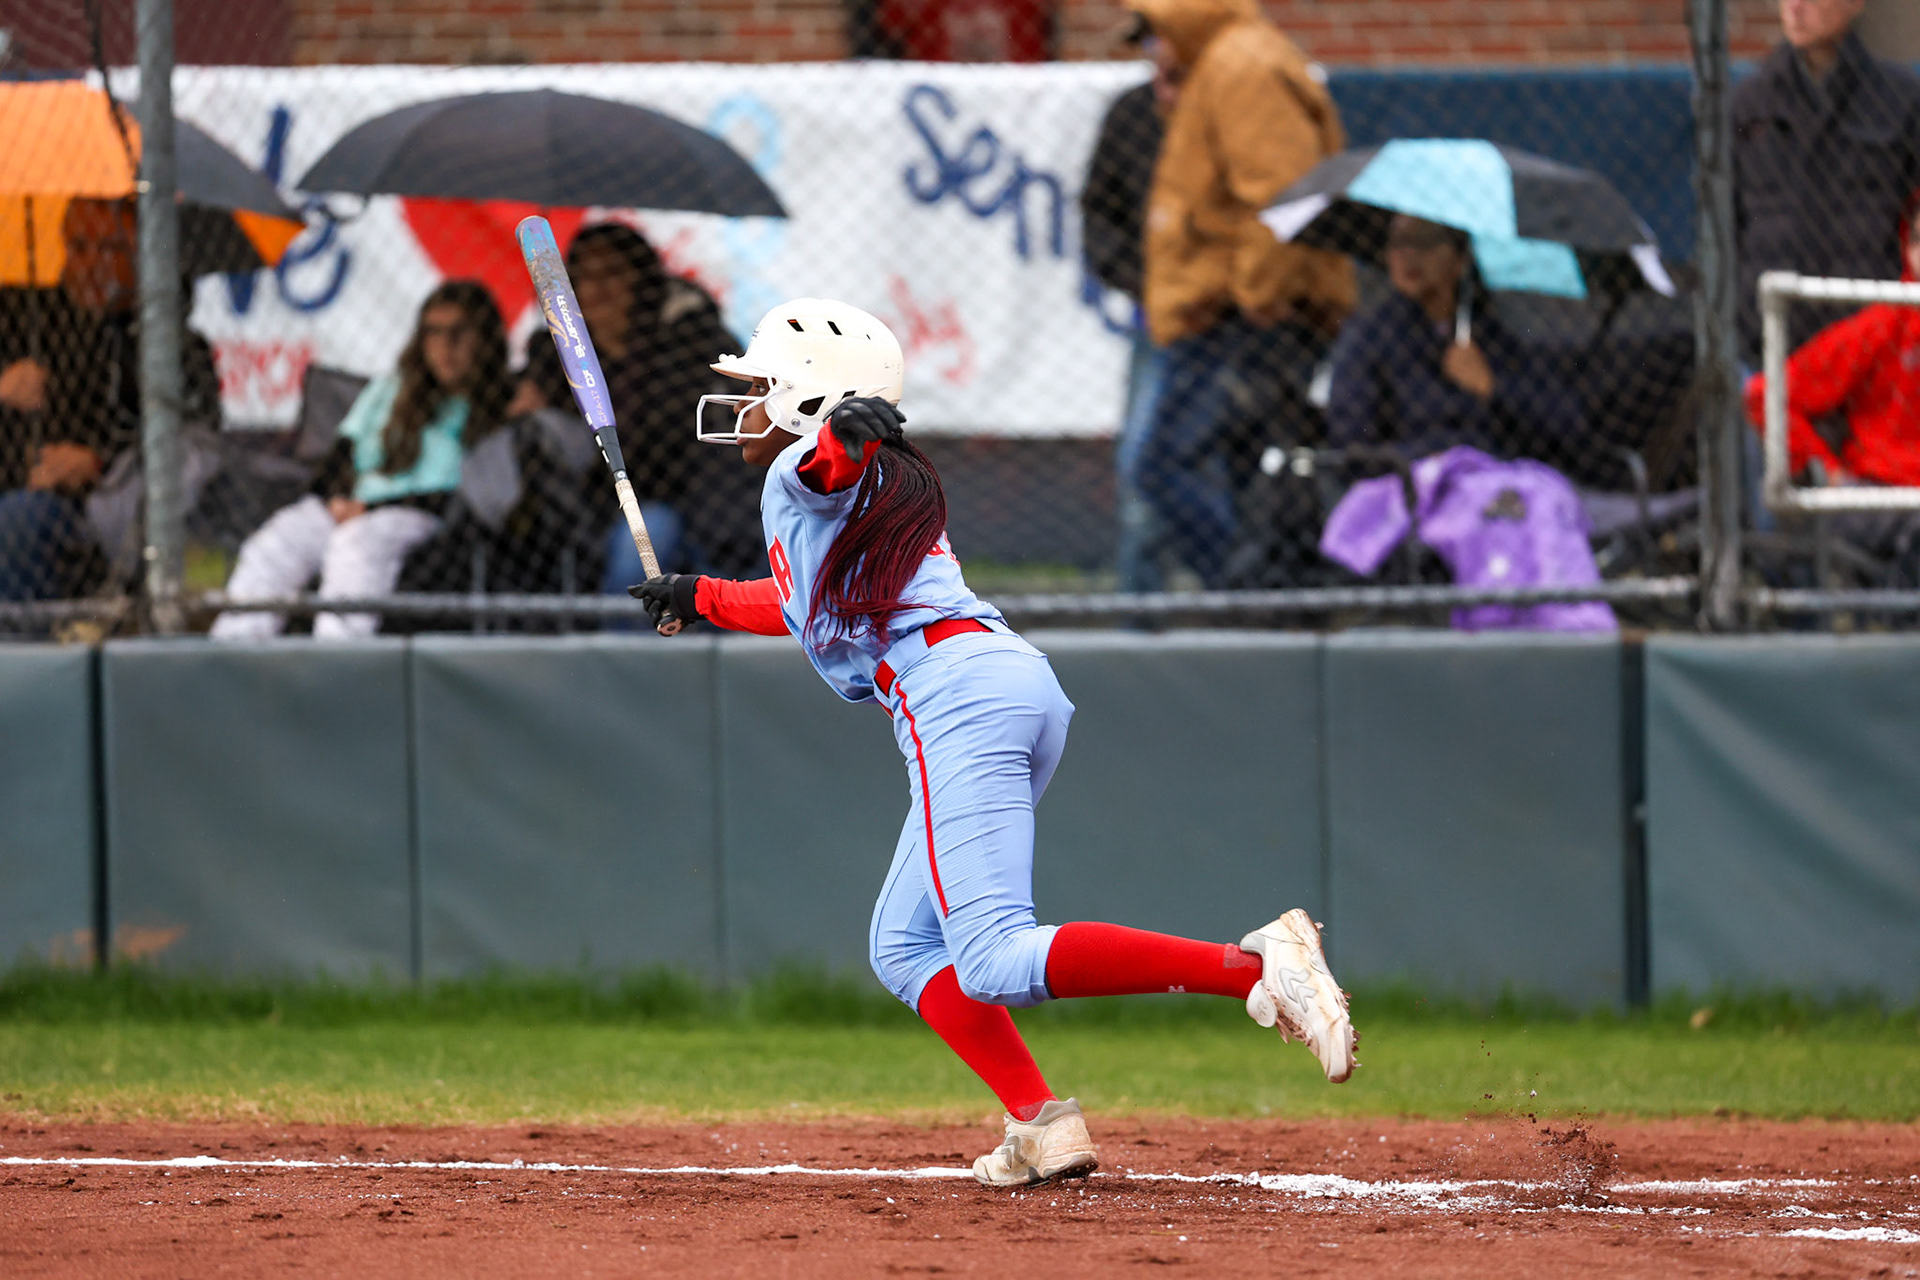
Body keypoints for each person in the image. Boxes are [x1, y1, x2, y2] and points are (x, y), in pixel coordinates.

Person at [628, 299, 1356, 1188]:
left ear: (809, 405)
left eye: (760, 387)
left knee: (993, 957)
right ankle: (1041, 1123)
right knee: (903, 947)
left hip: (957, 698)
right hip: (993, 687)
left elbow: (828, 469)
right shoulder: (854, 501)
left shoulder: (808, 470)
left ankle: (1254, 964)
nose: (742, 403)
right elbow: (799, 603)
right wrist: (698, 596)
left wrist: (843, 442)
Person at [1123, 0, 1355, 588]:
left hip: (1237, 318)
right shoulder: (1221, 64)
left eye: (1156, 37)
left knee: (1164, 465)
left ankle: (1244, 594)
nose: (1155, 53)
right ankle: (1270, 602)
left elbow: (1282, 194)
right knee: (1247, 474)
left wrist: (1258, 295)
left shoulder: (1242, 66)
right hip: (1224, 313)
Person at [209, 280, 510, 639]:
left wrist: (367, 510)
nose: (445, 346)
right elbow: (341, 456)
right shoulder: (392, 389)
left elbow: (464, 492)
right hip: (356, 504)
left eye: (459, 332)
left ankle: (340, 662)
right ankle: (234, 651)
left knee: (356, 545)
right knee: (275, 543)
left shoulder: (497, 402)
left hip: (424, 513)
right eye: (434, 332)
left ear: (484, 338)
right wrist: (335, 499)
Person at [509, 223, 756, 591]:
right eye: (586, 276)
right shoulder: (552, 354)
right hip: (584, 505)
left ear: (642, 278)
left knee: (645, 543)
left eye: (612, 273)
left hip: (689, 498)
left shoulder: (690, 337)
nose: (598, 288)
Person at [0, 198, 219, 603]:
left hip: (92, 511)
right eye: (80, 247)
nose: (92, 264)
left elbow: (196, 446)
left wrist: (97, 463)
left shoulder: (173, 345)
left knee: (19, 520)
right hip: (16, 477)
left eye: (112, 250)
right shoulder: (21, 313)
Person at [1732, 0, 1920, 365]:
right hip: (1770, 337)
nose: (1795, 7)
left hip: (1871, 343)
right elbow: (1724, 220)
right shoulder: (1750, 103)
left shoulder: (1900, 100)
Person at [1741, 205, 1920, 564]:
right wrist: (1825, 470)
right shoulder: (1885, 323)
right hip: (1881, 497)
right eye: (1916, 239)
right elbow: (1765, 394)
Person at [1324, 215, 1579, 463]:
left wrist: (1491, 386)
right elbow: (1352, 442)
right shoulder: (1369, 336)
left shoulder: (1490, 336)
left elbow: (1562, 426)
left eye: (1424, 240)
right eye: (1397, 242)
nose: (1408, 253)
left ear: (1461, 259)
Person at [1080, 28, 1174, 593]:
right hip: (1160, 324)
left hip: (1233, 325)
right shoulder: (1134, 113)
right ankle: (1142, 612)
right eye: (1149, 41)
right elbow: (1100, 212)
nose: (1158, 51)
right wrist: (1144, 284)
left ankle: (1237, 603)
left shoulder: (1236, 107)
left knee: (1234, 464)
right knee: (1142, 465)